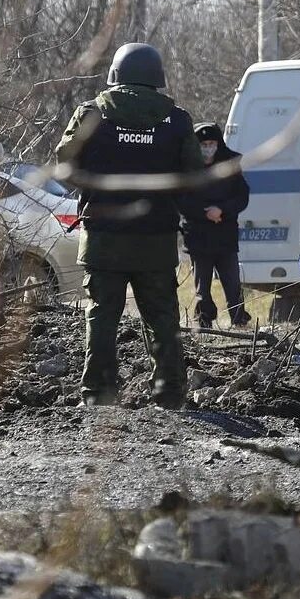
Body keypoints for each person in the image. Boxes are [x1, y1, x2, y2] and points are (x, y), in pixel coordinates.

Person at [56, 42, 203, 409]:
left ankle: (98, 393)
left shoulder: (91, 113)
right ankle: (169, 393)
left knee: (102, 316)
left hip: (103, 236)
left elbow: (63, 163)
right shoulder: (178, 119)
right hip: (156, 237)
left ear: (116, 74)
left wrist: (94, 186)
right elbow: (194, 177)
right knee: (162, 316)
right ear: (157, 77)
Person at [178, 122, 251, 328]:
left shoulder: (230, 165)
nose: (208, 147)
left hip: (225, 235)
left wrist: (222, 210)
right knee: (202, 286)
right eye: (203, 144)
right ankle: (204, 322)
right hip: (197, 236)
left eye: (212, 143)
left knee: (232, 283)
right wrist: (206, 213)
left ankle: (239, 321)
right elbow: (181, 200)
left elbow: (242, 197)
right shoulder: (187, 167)